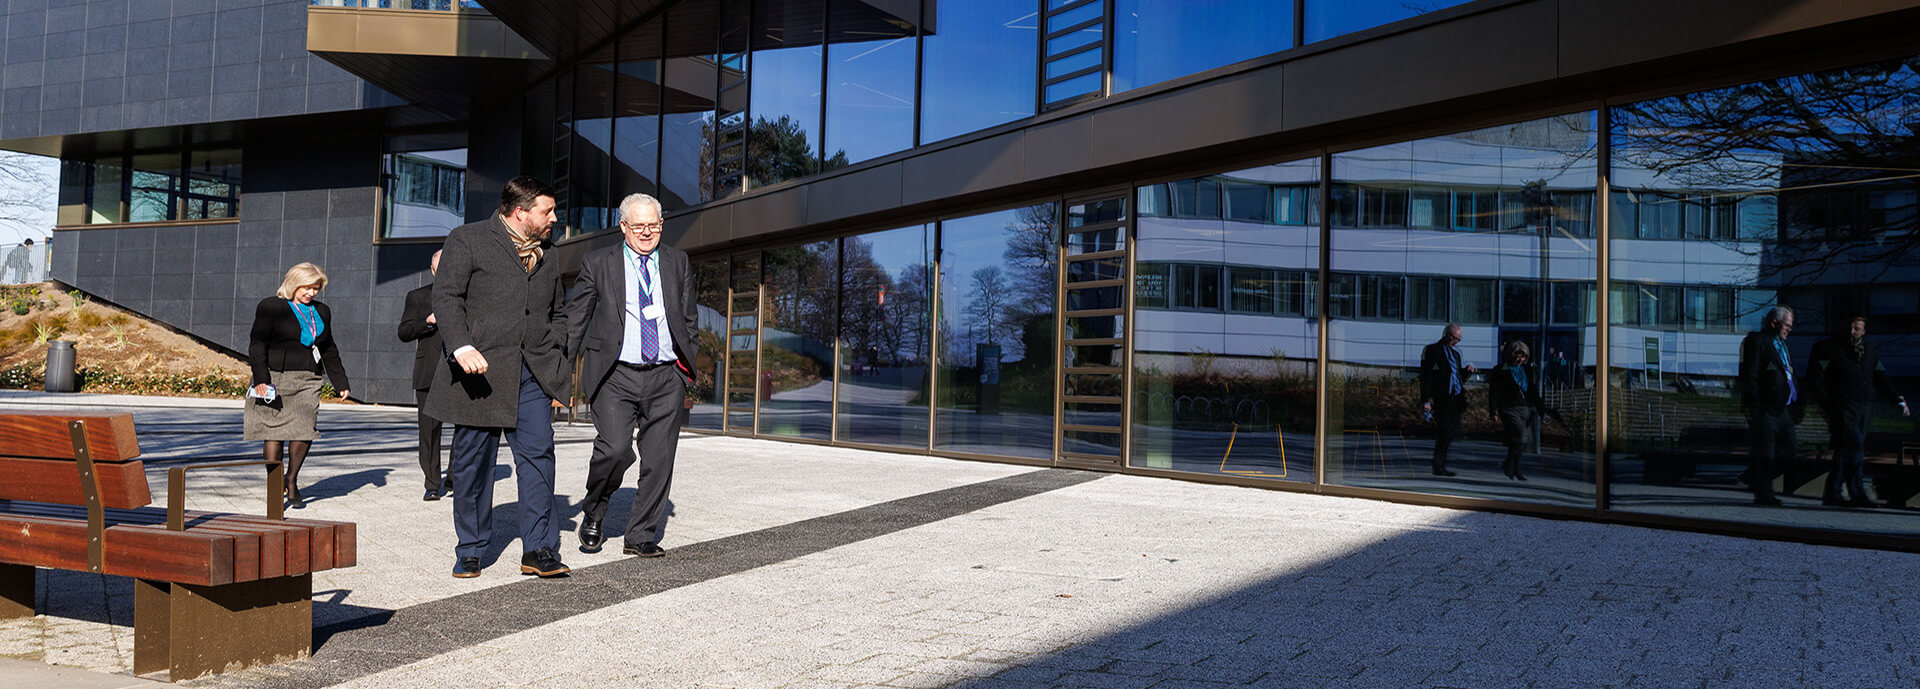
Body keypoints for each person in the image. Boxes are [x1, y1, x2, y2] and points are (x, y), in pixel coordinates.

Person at [426, 177, 571, 579]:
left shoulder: (550, 253)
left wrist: (555, 346)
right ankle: (471, 548)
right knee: (474, 464)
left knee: (539, 458)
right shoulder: (467, 238)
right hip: (480, 374)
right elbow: (447, 296)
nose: (554, 219)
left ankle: (539, 549)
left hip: (533, 374)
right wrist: (460, 346)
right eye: (548, 211)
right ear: (520, 211)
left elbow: (558, 310)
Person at [565, 193, 697, 558]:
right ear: (623, 226)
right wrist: (559, 377)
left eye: (653, 225)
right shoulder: (597, 263)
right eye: (638, 226)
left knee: (659, 459)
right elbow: (575, 321)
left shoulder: (677, 261)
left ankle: (640, 534)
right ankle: (595, 510)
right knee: (615, 449)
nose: (646, 232)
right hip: (615, 375)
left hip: (666, 375)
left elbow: (688, 318)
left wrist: (685, 373)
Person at [246, 262, 351, 509]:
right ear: (293, 283)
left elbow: (328, 347)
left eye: (316, 288)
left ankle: (291, 480)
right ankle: (274, 484)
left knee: (304, 430)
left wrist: (340, 381)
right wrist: (261, 379)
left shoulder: (322, 311)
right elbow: (257, 344)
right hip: (275, 377)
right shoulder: (271, 306)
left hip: (307, 378)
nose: (311, 293)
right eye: (307, 287)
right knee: (273, 432)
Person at [1806, 315, 1909, 507]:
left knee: (1846, 449)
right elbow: (1815, 379)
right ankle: (1857, 493)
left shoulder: (1868, 351)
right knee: (1855, 447)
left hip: (1864, 408)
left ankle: (1833, 492)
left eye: (1856, 328)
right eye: (1850, 327)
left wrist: (1898, 399)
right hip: (1842, 406)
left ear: (1863, 331)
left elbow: (1880, 376)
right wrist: (1828, 405)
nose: (1852, 332)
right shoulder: (1828, 349)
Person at [398, 250, 449, 502]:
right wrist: (427, 322)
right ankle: (432, 482)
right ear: (432, 269)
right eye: (440, 267)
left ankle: (455, 477)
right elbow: (404, 331)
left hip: (462, 371)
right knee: (429, 430)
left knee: (466, 428)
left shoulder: (469, 295)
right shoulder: (417, 296)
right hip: (429, 371)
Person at [1738, 305, 1801, 507]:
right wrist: (1754, 405)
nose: (1789, 330)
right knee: (1767, 452)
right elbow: (1751, 375)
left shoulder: (1782, 345)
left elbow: (1788, 375)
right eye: (1787, 326)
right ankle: (1764, 492)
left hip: (1784, 408)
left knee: (1789, 450)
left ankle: (1755, 478)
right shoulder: (1758, 341)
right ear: (1774, 323)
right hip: (1765, 407)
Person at [1488, 340, 1547, 481]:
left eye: (1523, 357)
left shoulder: (1526, 370)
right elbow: (1494, 391)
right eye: (1517, 356)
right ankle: (1512, 466)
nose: (1520, 359)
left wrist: (1542, 411)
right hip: (1508, 408)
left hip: (1524, 407)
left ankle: (1512, 466)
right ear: (1511, 355)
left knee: (1521, 441)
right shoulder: (1500, 369)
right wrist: (1493, 410)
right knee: (1520, 435)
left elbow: (1532, 391)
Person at [1420, 323, 1474, 477]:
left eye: (1458, 340)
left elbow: (1457, 377)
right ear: (1448, 336)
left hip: (1455, 398)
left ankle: (1441, 465)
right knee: (1444, 431)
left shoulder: (1455, 354)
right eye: (1455, 339)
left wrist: (1467, 372)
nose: (1456, 342)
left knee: (1451, 432)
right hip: (1441, 397)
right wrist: (1426, 400)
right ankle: (1438, 466)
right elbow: (1426, 377)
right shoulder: (1432, 350)